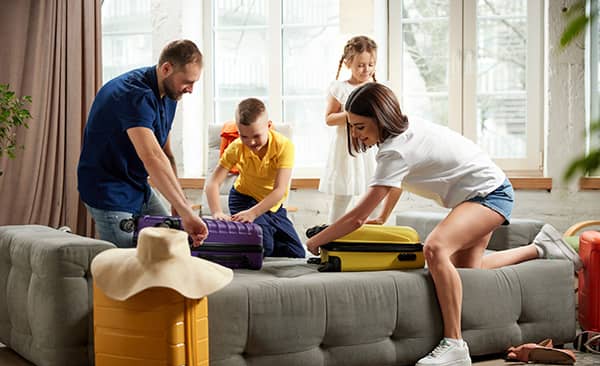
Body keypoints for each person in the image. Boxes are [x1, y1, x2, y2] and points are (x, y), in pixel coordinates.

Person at [306, 82, 582, 366]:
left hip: (489, 194)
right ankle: (542, 247)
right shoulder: (401, 133)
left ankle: (455, 344)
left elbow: (356, 218)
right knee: (469, 268)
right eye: (352, 127)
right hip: (482, 191)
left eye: (360, 126)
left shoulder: (395, 150)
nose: (356, 134)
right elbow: (394, 185)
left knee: (435, 249)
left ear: (379, 117)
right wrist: (384, 216)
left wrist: (316, 242)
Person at [77, 39, 207, 248]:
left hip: (137, 185)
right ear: (166, 69)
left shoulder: (169, 95)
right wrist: (185, 210)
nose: (190, 89)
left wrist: (179, 201)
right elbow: (151, 157)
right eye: (187, 82)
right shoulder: (133, 94)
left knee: (170, 247)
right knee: (128, 264)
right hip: (108, 189)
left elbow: (165, 154)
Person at [205, 98, 305, 258]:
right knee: (264, 246)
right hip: (244, 200)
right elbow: (213, 183)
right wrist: (216, 211)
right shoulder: (236, 147)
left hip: (273, 205)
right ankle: (252, 239)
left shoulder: (284, 146)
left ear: (268, 125)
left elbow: (279, 190)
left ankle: (256, 234)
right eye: (244, 136)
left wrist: (254, 214)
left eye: (257, 136)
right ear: (238, 132)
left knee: (297, 253)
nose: (251, 142)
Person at [320, 35, 398, 224]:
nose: (366, 69)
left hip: (371, 148)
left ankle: (374, 234)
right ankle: (331, 235)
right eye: (361, 65)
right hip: (347, 149)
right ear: (348, 63)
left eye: (371, 64)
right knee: (342, 195)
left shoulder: (378, 88)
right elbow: (329, 119)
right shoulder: (339, 88)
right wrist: (354, 115)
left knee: (375, 193)